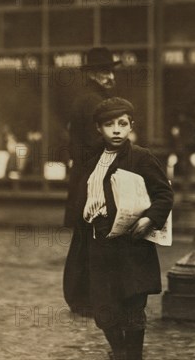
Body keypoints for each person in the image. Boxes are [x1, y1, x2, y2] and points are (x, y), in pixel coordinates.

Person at [65, 97, 173, 360]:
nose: (116, 130)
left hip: (132, 247)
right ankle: (121, 351)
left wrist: (149, 219)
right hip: (99, 246)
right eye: (109, 124)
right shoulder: (91, 161)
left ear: (130, 126)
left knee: (133, 307)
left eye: (122, 124)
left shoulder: (141, 158)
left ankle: (132, 356)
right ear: (98, 129)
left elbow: (164, 194)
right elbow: (83, 194)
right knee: (103, 309)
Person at [63, 47, 120, 314]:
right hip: (93, 179)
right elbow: (98, 143)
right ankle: (83, 299)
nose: (110, 77)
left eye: (110, 71)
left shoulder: (85, 99)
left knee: (85, 239)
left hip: (85, 178)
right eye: (104, 72)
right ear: (94, 75)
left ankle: (79, 297)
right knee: (91, 239)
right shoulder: (95, 103)